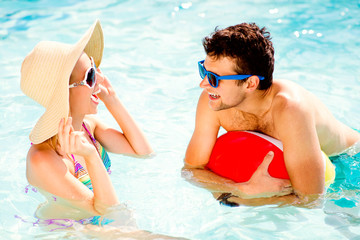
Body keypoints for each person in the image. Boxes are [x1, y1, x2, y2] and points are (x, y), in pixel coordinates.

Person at [183, 23, 360, 205]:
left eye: (214, 78)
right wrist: (239, 189)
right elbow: (190, 170)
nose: (203, 84)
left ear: (250, 83)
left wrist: (248, 200)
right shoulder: (213, 100)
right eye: (203, 70)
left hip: (349, 166)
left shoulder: (290, 110)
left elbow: (311, 199)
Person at [21, 20, 153, 223]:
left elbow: (143, 152)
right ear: (65, 92)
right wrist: (91, 156)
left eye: (96, 69)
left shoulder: (88, 126)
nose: (99, 80)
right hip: (69, 233)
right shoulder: (44, 159)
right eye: (91, 75)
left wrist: (113, 100)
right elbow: (106, 210)